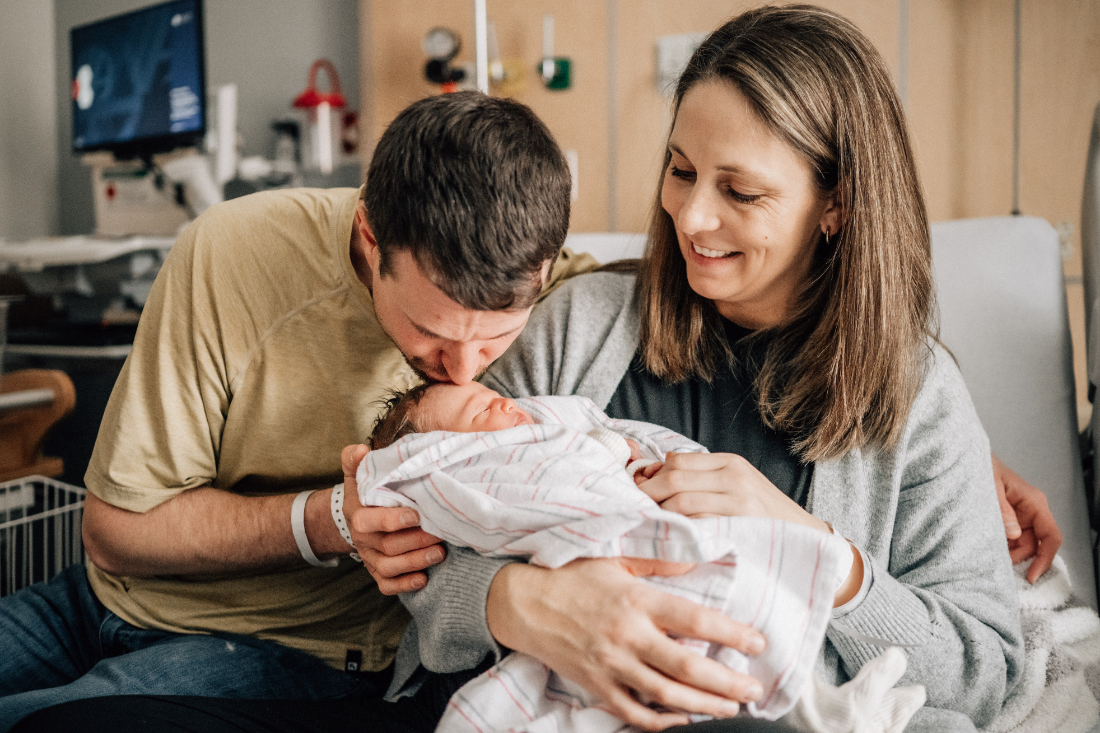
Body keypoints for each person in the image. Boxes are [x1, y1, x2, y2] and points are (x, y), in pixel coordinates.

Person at [10, 6, 1064, 733]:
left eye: (737, 191)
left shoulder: (914, 397)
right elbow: (438, 568)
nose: (689, 219)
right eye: (678, 171)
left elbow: (988, 658)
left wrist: (827, 553)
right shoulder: (584, 318)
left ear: (834, 205)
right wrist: (518, 601)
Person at [0, 91, 603, 731]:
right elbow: (114, 535)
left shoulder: (558, 281)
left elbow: (673, 299)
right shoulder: (232, 255)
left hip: (294, 650)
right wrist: (334, 519)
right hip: (94, 597)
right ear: (371, 237)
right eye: (430, 332)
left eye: (494, 340)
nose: (462, 371)